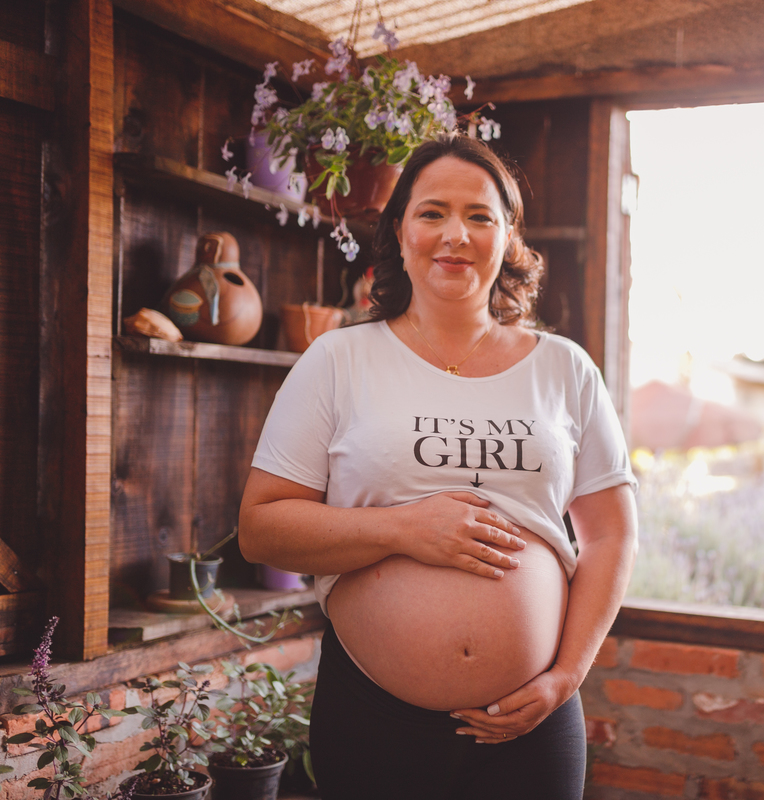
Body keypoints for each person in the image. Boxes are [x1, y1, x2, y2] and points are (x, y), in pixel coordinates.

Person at [238, 132, 638, 800]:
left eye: (480, 216)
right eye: (433, 212)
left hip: (531, 726)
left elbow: (612, 535)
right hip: (375, 723)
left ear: (507, 239)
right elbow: (261, 529)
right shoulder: (337, 360)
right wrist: (402, 529)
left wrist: (567, 675)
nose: (456, 234)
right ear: (400, 232)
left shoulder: (564, 369)